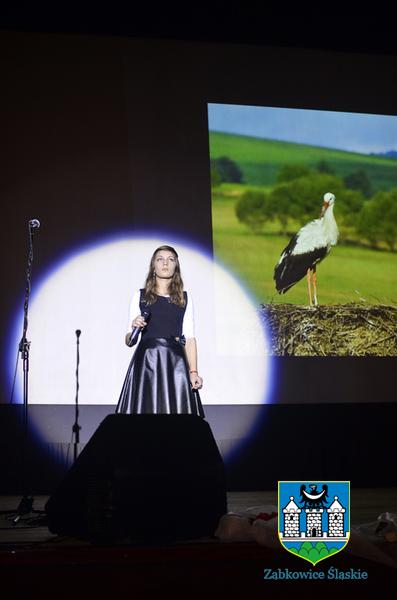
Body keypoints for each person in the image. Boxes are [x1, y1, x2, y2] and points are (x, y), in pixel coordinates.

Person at [116, 245, 205, 416]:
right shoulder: (140, 296)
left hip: (175, 362)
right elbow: (129, 341)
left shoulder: (185, 298)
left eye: (171, 259)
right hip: (147, 362)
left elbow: (190, 338)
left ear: (176, 266)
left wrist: (193, 372)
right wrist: (134, 327)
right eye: (160, 259)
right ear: (153, 267)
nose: (165, 263)